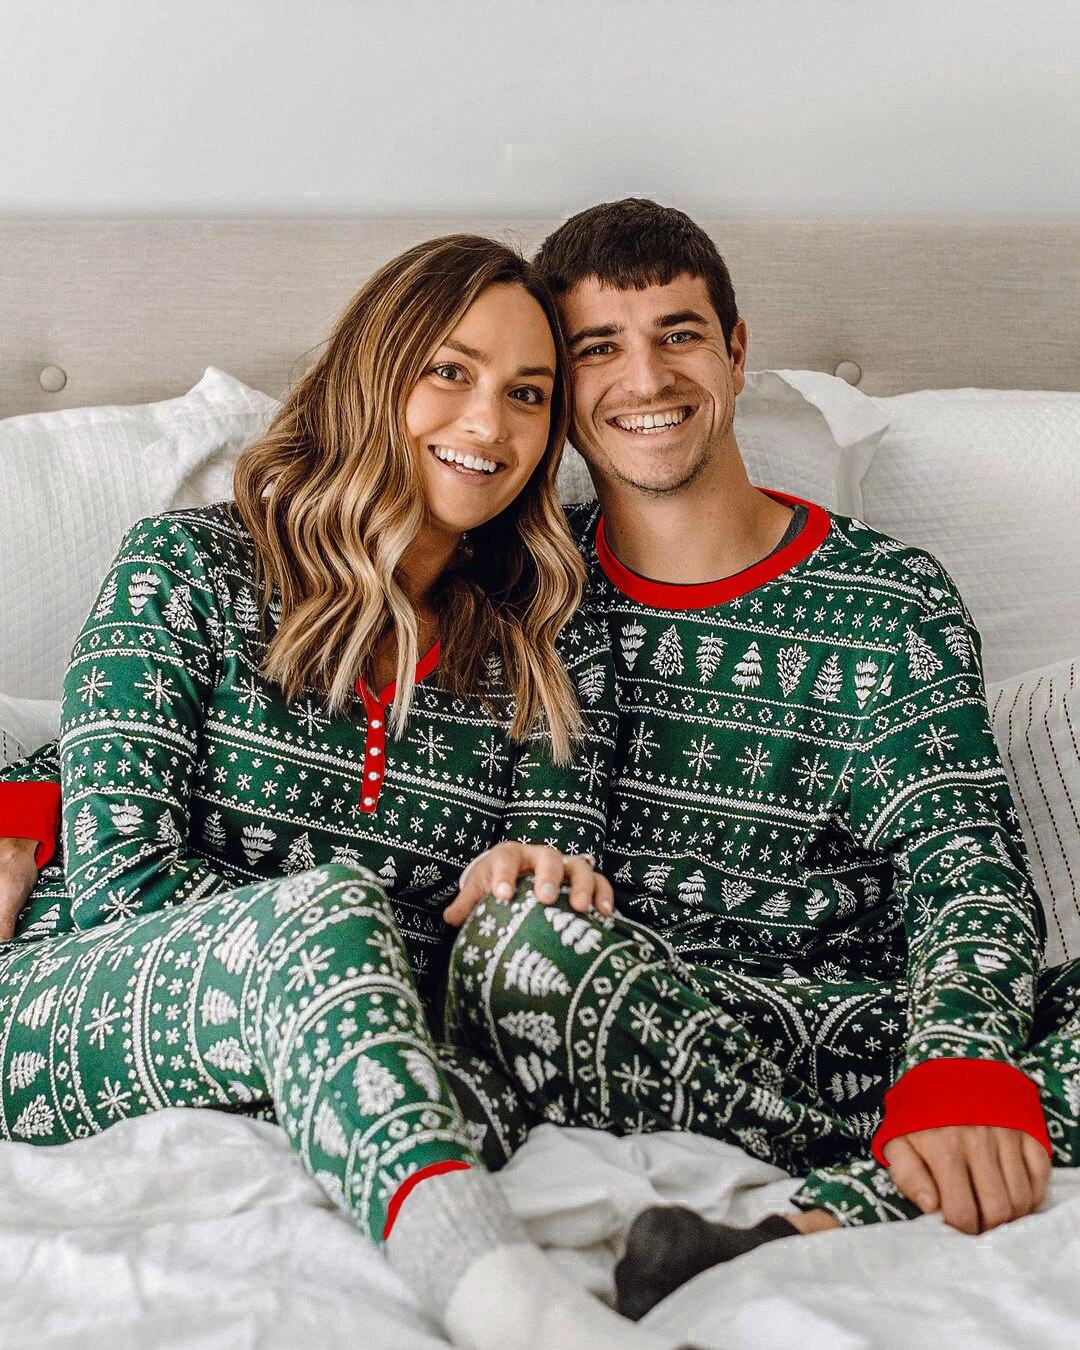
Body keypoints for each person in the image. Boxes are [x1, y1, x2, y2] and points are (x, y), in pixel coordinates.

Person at [0, 235, 692, 1350]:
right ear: (374, 373)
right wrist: (361, 944)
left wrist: (529, 890)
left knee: (528, 1026)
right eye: (450, 372)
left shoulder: (547, 646)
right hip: (71, 1007)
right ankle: (507, 1304)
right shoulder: (185, 569)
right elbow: (122, 887)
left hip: (375, 1044)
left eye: (529, 394)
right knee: (334, 920)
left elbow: (534, 921)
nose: (489, 425)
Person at [439, 198, 1080, 1320]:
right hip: (643, 1009)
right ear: (559, 392)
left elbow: (965, 868)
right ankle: (896, 1178)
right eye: (599, 349)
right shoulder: (526, 596)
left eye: (678, 334)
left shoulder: (889, 600)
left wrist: (958, 1066)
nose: (646, 378)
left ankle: (824, 1215)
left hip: (869, 1021)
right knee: (509, 949)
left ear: (735, 353)